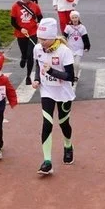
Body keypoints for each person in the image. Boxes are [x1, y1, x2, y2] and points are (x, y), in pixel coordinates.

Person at [32, 18, 76, 175]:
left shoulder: (64, 51)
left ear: (52, 37)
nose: (41, 42)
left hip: (63, 93)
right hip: (47, 91)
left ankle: (68, 145)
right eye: (39, 39)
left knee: (63, 124)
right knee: (47, 123)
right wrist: (37, 79)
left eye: (44, 39)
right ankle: (47, 161)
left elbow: (70, 76)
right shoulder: (37, 48)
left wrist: (52, 71)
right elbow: (38, 65)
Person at [11, 0, 43, 85]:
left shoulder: (35, 6)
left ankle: (28, 76)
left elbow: (40, 17)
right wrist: (21, 29)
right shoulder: (15, 6)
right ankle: (23, 57)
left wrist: (39, 23)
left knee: (30, 55)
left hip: (33, 32)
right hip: (21, 34)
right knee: (24, 52)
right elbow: (13, 22)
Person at [63, 10, 90, 82]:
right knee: (71, 63)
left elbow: (85, 37)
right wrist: (62, 45)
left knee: (77, 63)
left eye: (76, 17)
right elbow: (64, 37)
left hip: (79, 48)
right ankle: (71, 75)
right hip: (70, 48)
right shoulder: (68, 27)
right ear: (71, 19)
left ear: (78, 18)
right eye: (73, 18)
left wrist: (87, 46)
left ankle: (76, 76)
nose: (74, 19)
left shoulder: (82, 27)